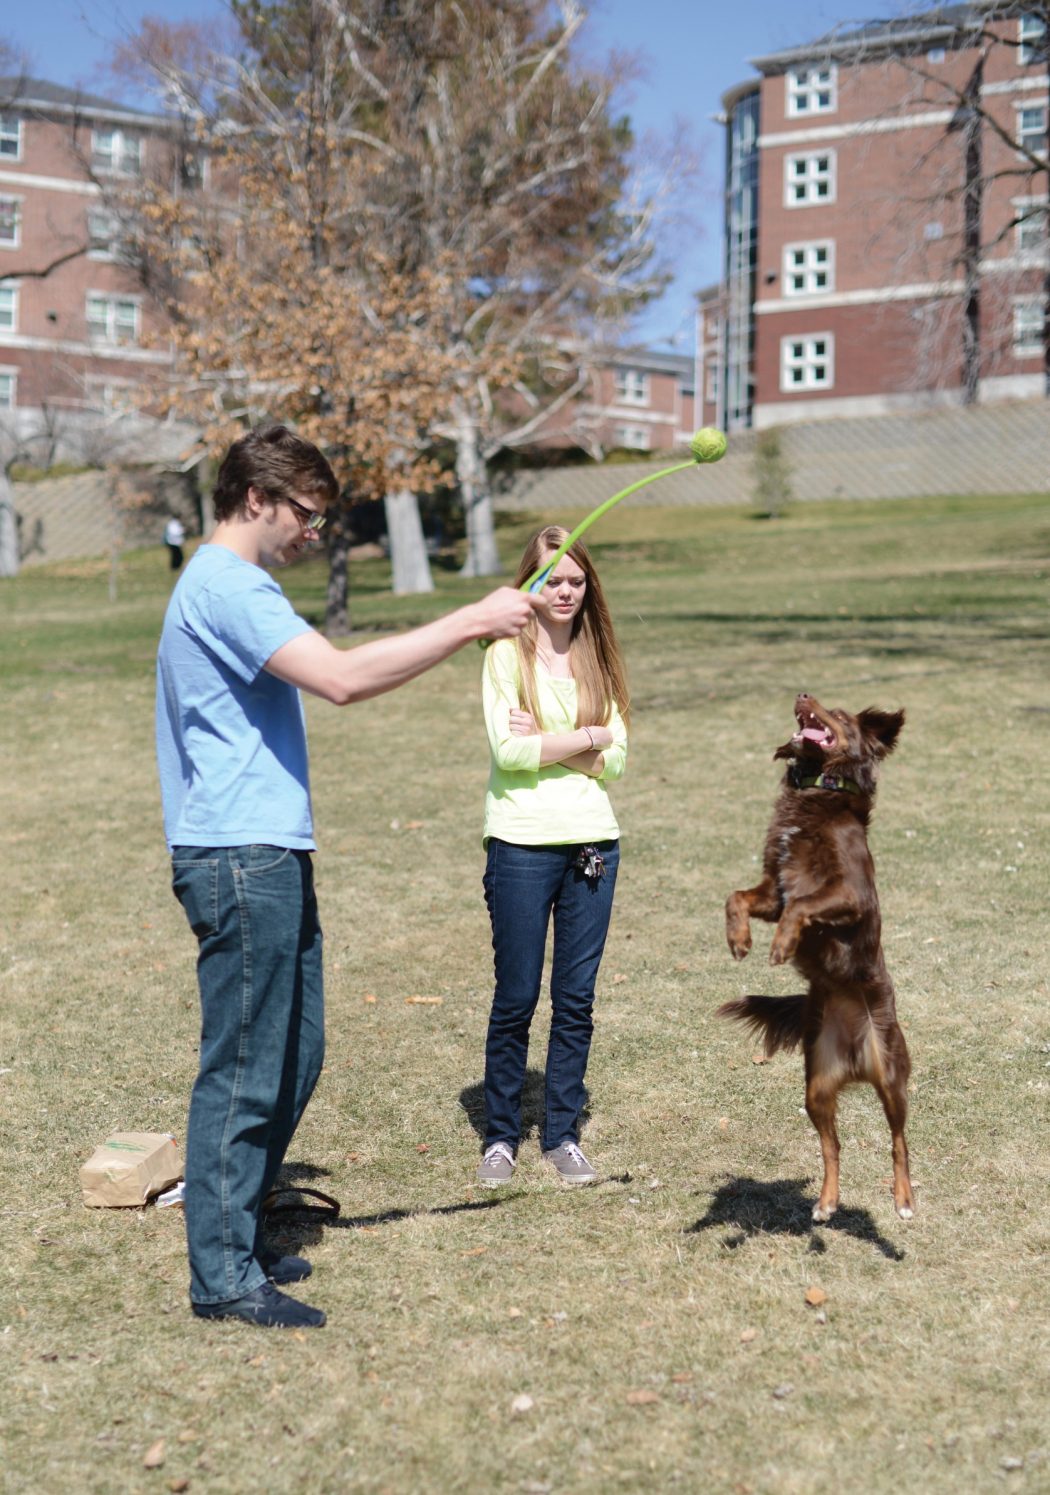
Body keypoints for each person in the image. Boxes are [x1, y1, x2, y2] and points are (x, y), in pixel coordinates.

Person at [156, 423, 536, 1329]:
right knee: (248, 1066)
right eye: (308, 514)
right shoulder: (229, 586)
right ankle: (221, 1275)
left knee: (296, 1050)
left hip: (267, 851)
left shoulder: (232, 587)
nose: (314, 533)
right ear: (257, 498)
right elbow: (340, 678)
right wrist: (471, 620)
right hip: (240, 858)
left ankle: (237, 1232)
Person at [477, 526, 629, 1188]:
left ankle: (562, 1134)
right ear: (528, 585)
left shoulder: (601, 658)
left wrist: (551, 736)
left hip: (593, 843)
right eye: (550, 580)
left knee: (577, 998)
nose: (564, 591)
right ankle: (501, 1135)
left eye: (575, 580)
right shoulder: (504, 658)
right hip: (519, 844)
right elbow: (509, 754)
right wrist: (586, 740)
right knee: (516, 995)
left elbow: (615, 761)